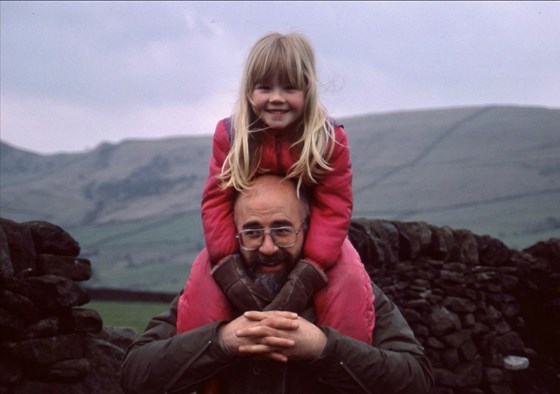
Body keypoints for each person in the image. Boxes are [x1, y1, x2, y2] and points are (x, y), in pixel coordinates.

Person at [120, 175, 433, 393]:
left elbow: (415, 379)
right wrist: (221, 342)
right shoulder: (207, 291)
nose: (267, 247)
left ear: (308, 231)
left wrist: (324, 348)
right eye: (253, 232)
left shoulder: (356, 291)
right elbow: (135, 374)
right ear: (235, 236)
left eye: (283, 230)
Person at [178, 32, 374, 342]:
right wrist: (227, 263)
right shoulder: (230, 135)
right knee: (202, 287)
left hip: (311, 240)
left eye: (290, 88)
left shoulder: (329, 138)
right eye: (265, 87)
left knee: (348, 282)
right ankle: (203, 379)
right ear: (249, 91)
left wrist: (310, 270)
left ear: (307, 90)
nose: (277, 98)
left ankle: (343, 365)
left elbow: (334, 207)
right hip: (245, 239)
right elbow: (216, 202)